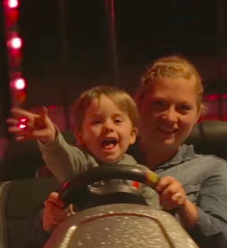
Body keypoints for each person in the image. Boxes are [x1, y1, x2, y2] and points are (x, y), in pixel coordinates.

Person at [132, 55, 227, 248]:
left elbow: (222, 239)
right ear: (139, 104)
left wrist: (183, 205)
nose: (170, 117)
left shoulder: (211, 169)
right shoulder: (103, 162)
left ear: (197, 115)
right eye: (159, 104)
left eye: (183, 108)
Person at [8, 85, 159, 233]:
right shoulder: (78, 165)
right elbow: (61, 157)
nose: (108, 127)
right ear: (80, 136)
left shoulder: (143, 177)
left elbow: (155, 222)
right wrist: (50, 139)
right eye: (97, 122)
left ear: (132, 135)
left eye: (117, 121)